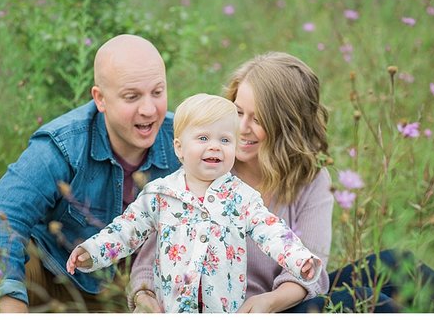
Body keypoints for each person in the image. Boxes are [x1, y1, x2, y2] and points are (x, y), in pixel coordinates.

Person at [128, 53, 434, 313]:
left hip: (276, 305)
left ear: (286, 127)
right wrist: (145, 298)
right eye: (238, 111)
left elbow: (311, 269)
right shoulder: (202, 169)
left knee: (392, 264)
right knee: (355, 301)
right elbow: (147, 267)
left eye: (258, 119)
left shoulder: (309, 178)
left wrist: (271, 302)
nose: (241, 127)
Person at [0, 34, 180, 312]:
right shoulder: (64, 144)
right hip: (54, 275)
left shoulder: (184, 141)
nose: (148, 109)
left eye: (157, 92)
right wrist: (10, 306)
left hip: (136, 290)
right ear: (100, 99)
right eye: (132, 97)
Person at [67, 94, 321, 313]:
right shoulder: (160, 193)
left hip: (224, 308)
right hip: (171, 308)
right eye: (203, 138)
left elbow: (272, 232)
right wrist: (91, 252)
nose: (215, 147)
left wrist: (299, 260)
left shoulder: (242, 197)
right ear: (179, 148)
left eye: (225, 140)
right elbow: (126, 230)